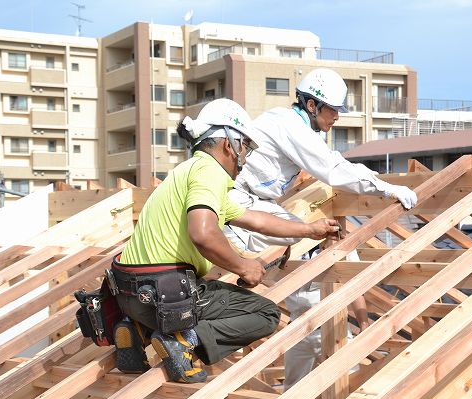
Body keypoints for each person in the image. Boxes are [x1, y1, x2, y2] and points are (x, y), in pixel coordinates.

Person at [110, 98, 341, 384]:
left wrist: (308, 229)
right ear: (228, 144)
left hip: (129, 293)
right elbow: (203, 233)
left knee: (199, 293)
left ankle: (136, 330)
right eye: (245, 146)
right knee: (265, 313)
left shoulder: (187, 173)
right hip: (165, 291)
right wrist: (244, 266)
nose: (246, 157)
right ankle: (186, 341)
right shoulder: (209, 173)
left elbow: (254, 219)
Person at [223, 68, 418, 389]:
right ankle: (307, 390)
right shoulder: (289, 126)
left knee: (311, 312)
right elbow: (332, 168)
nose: (337, 117)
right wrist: (384, 187)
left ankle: (297, 386)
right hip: (242, 211)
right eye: (333, 109)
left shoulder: (293, 128)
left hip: (252, 208)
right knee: (315, 301)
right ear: (311, 105)